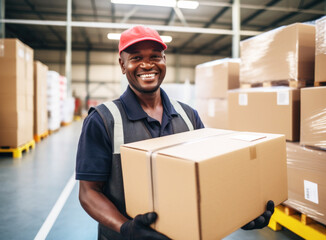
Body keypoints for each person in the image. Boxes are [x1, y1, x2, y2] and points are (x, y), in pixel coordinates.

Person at [76, 25, 274, 240]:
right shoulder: (103, 120)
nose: (147, 64)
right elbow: (89, 192)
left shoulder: (188, 116)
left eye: (155, 56)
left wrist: (241, 213)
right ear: (122, 65)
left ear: (164, 60)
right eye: (135, 58)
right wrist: (126, 228)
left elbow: (209, 178)